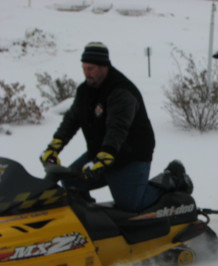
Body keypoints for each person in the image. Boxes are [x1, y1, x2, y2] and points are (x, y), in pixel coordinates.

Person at [39, 42, 184, 211]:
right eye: (84, 68)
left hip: (130, 156)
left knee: (131, 205)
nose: (86, 73)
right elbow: (71, 120)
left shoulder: (121, 91)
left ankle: (171, 179)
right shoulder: (85, 90)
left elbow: (117, 128)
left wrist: (106, 155)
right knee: (71, 181)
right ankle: (87, 219)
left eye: (91, 68)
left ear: (104, 66)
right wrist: (54, 146)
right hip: (102, 153)